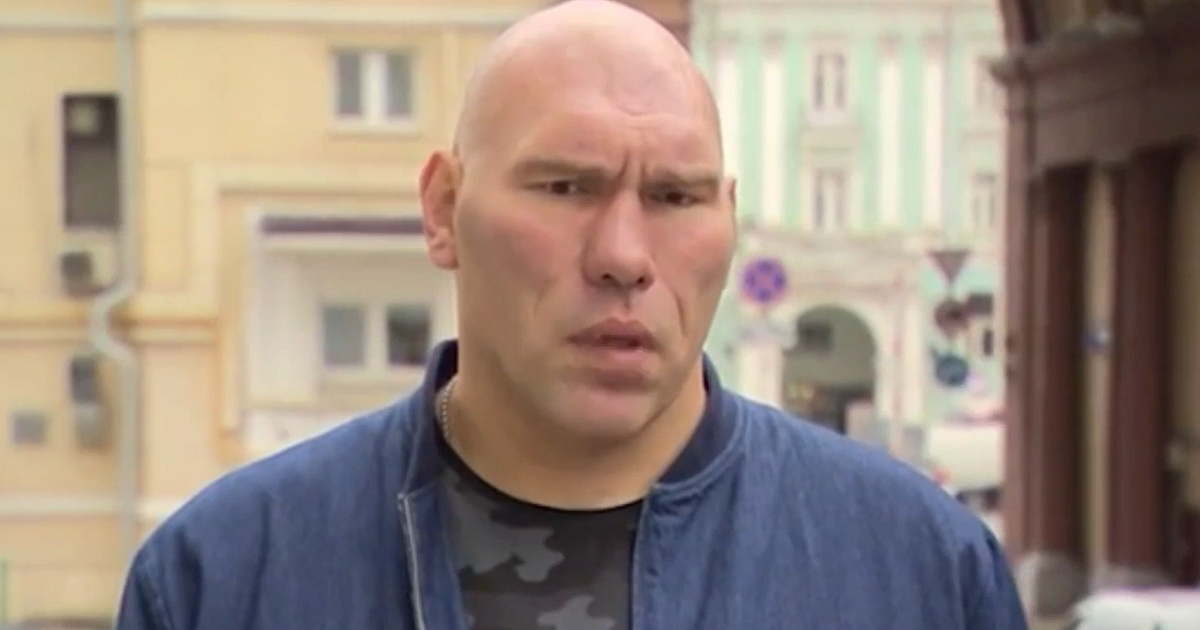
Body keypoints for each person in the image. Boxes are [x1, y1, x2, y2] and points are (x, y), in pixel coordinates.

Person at [115, 1, 1027, 628]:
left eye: (674, 197)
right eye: (565, 187)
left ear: (728, 220)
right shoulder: (226, 575)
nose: (623, 256)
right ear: (444, 210)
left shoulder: (920, 570)